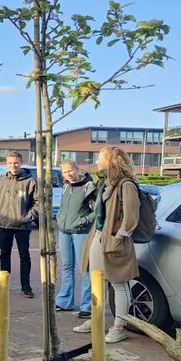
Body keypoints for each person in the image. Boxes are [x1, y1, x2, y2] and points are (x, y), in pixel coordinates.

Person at [75, 146, 140, 344]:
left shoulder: (126, 184)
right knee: (97, 279)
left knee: (119, 283)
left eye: (100, 158)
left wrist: (118, 237)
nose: (96, 162)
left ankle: (119, 326)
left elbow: (131, 215)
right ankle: (96, 320)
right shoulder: (104, 183)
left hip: (113, 239)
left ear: (111, 160)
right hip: (99, 236)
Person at [0, 151, 38, 297]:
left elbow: (38, 203)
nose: (13, 165)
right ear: (6, 164)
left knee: (24, 256)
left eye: (16, 162)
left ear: (21, 162)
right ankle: (3, 284)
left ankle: (26, 286)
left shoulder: (30, 182)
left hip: (22, 226)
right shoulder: (1, 181)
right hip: (4, 225)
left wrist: (27, 217)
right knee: (4, 254)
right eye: (10, 163)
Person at [55, 160, 96, 317]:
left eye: (70, 171)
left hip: (81, 232)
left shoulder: (89, 187)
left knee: (84, 268)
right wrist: (59, 219)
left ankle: (87, 306)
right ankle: (65, 301)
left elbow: (97, 211)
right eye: (64, 173)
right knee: (66, 266)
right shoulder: (66, 186)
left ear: (78, 169)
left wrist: (82, 222)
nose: (67, 175)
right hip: (64, 231)